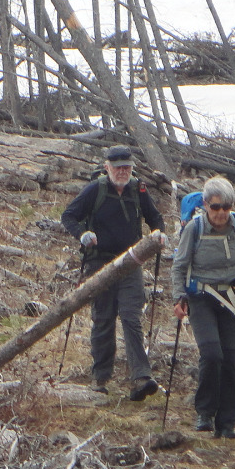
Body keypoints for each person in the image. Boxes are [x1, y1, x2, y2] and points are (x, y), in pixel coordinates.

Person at [60, 146, 167, 401]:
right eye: (118, 167)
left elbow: (155, 218)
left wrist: (158, 234)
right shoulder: (95, 189)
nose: (122, 172)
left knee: (131, 316)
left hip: (131, 261)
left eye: (126, 167)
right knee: (104, 318)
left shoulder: (138, 189)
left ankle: (141, 378)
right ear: (107, 167)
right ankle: (100, 378)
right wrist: (83, 235)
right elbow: (69, 216)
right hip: (99, 262)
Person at [170, 176, 235, 439]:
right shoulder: (194, 229)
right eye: (216, 207)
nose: (221, 213)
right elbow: (179, 266)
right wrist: (179, 297)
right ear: (205, 205)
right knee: (212, 354)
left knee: (231, 360)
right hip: (201, 298)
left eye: (227, 207)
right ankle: (205, 413)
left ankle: (227, 423)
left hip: (233, 297)